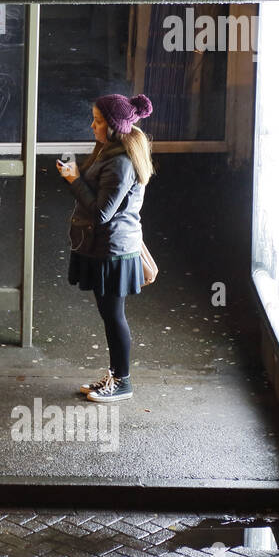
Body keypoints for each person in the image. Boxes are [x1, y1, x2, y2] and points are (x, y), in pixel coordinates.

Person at [55, 93, 155, 402]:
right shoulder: (108, 151)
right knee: (110, 313)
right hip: (106, 246)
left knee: (114, 315)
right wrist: (75, 172)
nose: (92, 125)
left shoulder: (121, 162)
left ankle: (122, 381)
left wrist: (73, 179)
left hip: (113, 250)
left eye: (98, 121)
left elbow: (101, 213)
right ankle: (115, 375)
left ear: (113, 126)